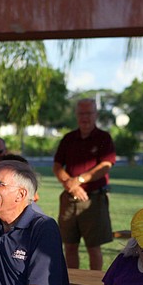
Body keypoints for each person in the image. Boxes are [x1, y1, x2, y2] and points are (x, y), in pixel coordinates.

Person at [53, 98, 116, 270]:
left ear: (96, 114)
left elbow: (105, 166)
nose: (85, 117)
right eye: (81, 113)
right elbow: (57, 166)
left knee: (93, 248)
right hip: (70, 199)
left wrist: (79, 180)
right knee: (69, 246)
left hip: (93, 200)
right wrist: (70, 185)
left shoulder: (103, 137)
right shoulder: (68, 138)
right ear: (76, 115)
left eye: (89, 113)